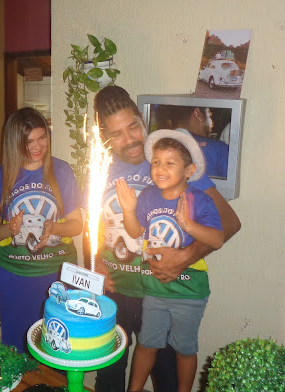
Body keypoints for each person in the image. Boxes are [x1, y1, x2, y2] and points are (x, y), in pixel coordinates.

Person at [92, 86, 241, 392]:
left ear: (142, 119)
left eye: (133, 126)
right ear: (105, 136)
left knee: (168, 379)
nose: (130, 139)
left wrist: (186, 257)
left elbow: (230, 222)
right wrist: (95, 259)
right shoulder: (100, 169)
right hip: (114, 293)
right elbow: (94, 225)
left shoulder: (170, 159)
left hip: (162, 292)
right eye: (117, 134)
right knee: (108, 379)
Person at [116, 129, 224, 392]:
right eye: (156, 161)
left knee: (184, 349)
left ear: (189, 170)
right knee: (146, 345)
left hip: (188, 292)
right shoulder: (148, 196)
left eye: (169, 163)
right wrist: (129, 210)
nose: (160, 168)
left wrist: (188, 225)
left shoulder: (200, 200)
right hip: (154, 289)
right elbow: (135, 231)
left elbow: (217, 239)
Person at [0, 107, 82, 353]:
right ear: (14, 143)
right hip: (14, 275)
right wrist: (9, 229)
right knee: (17, 347)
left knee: (57, 347)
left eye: (42, 137)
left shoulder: (62, 170)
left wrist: (55, 227)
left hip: (57, 275)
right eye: (28, 142)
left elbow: (77, 225)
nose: (37, 147)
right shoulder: (1, 175)